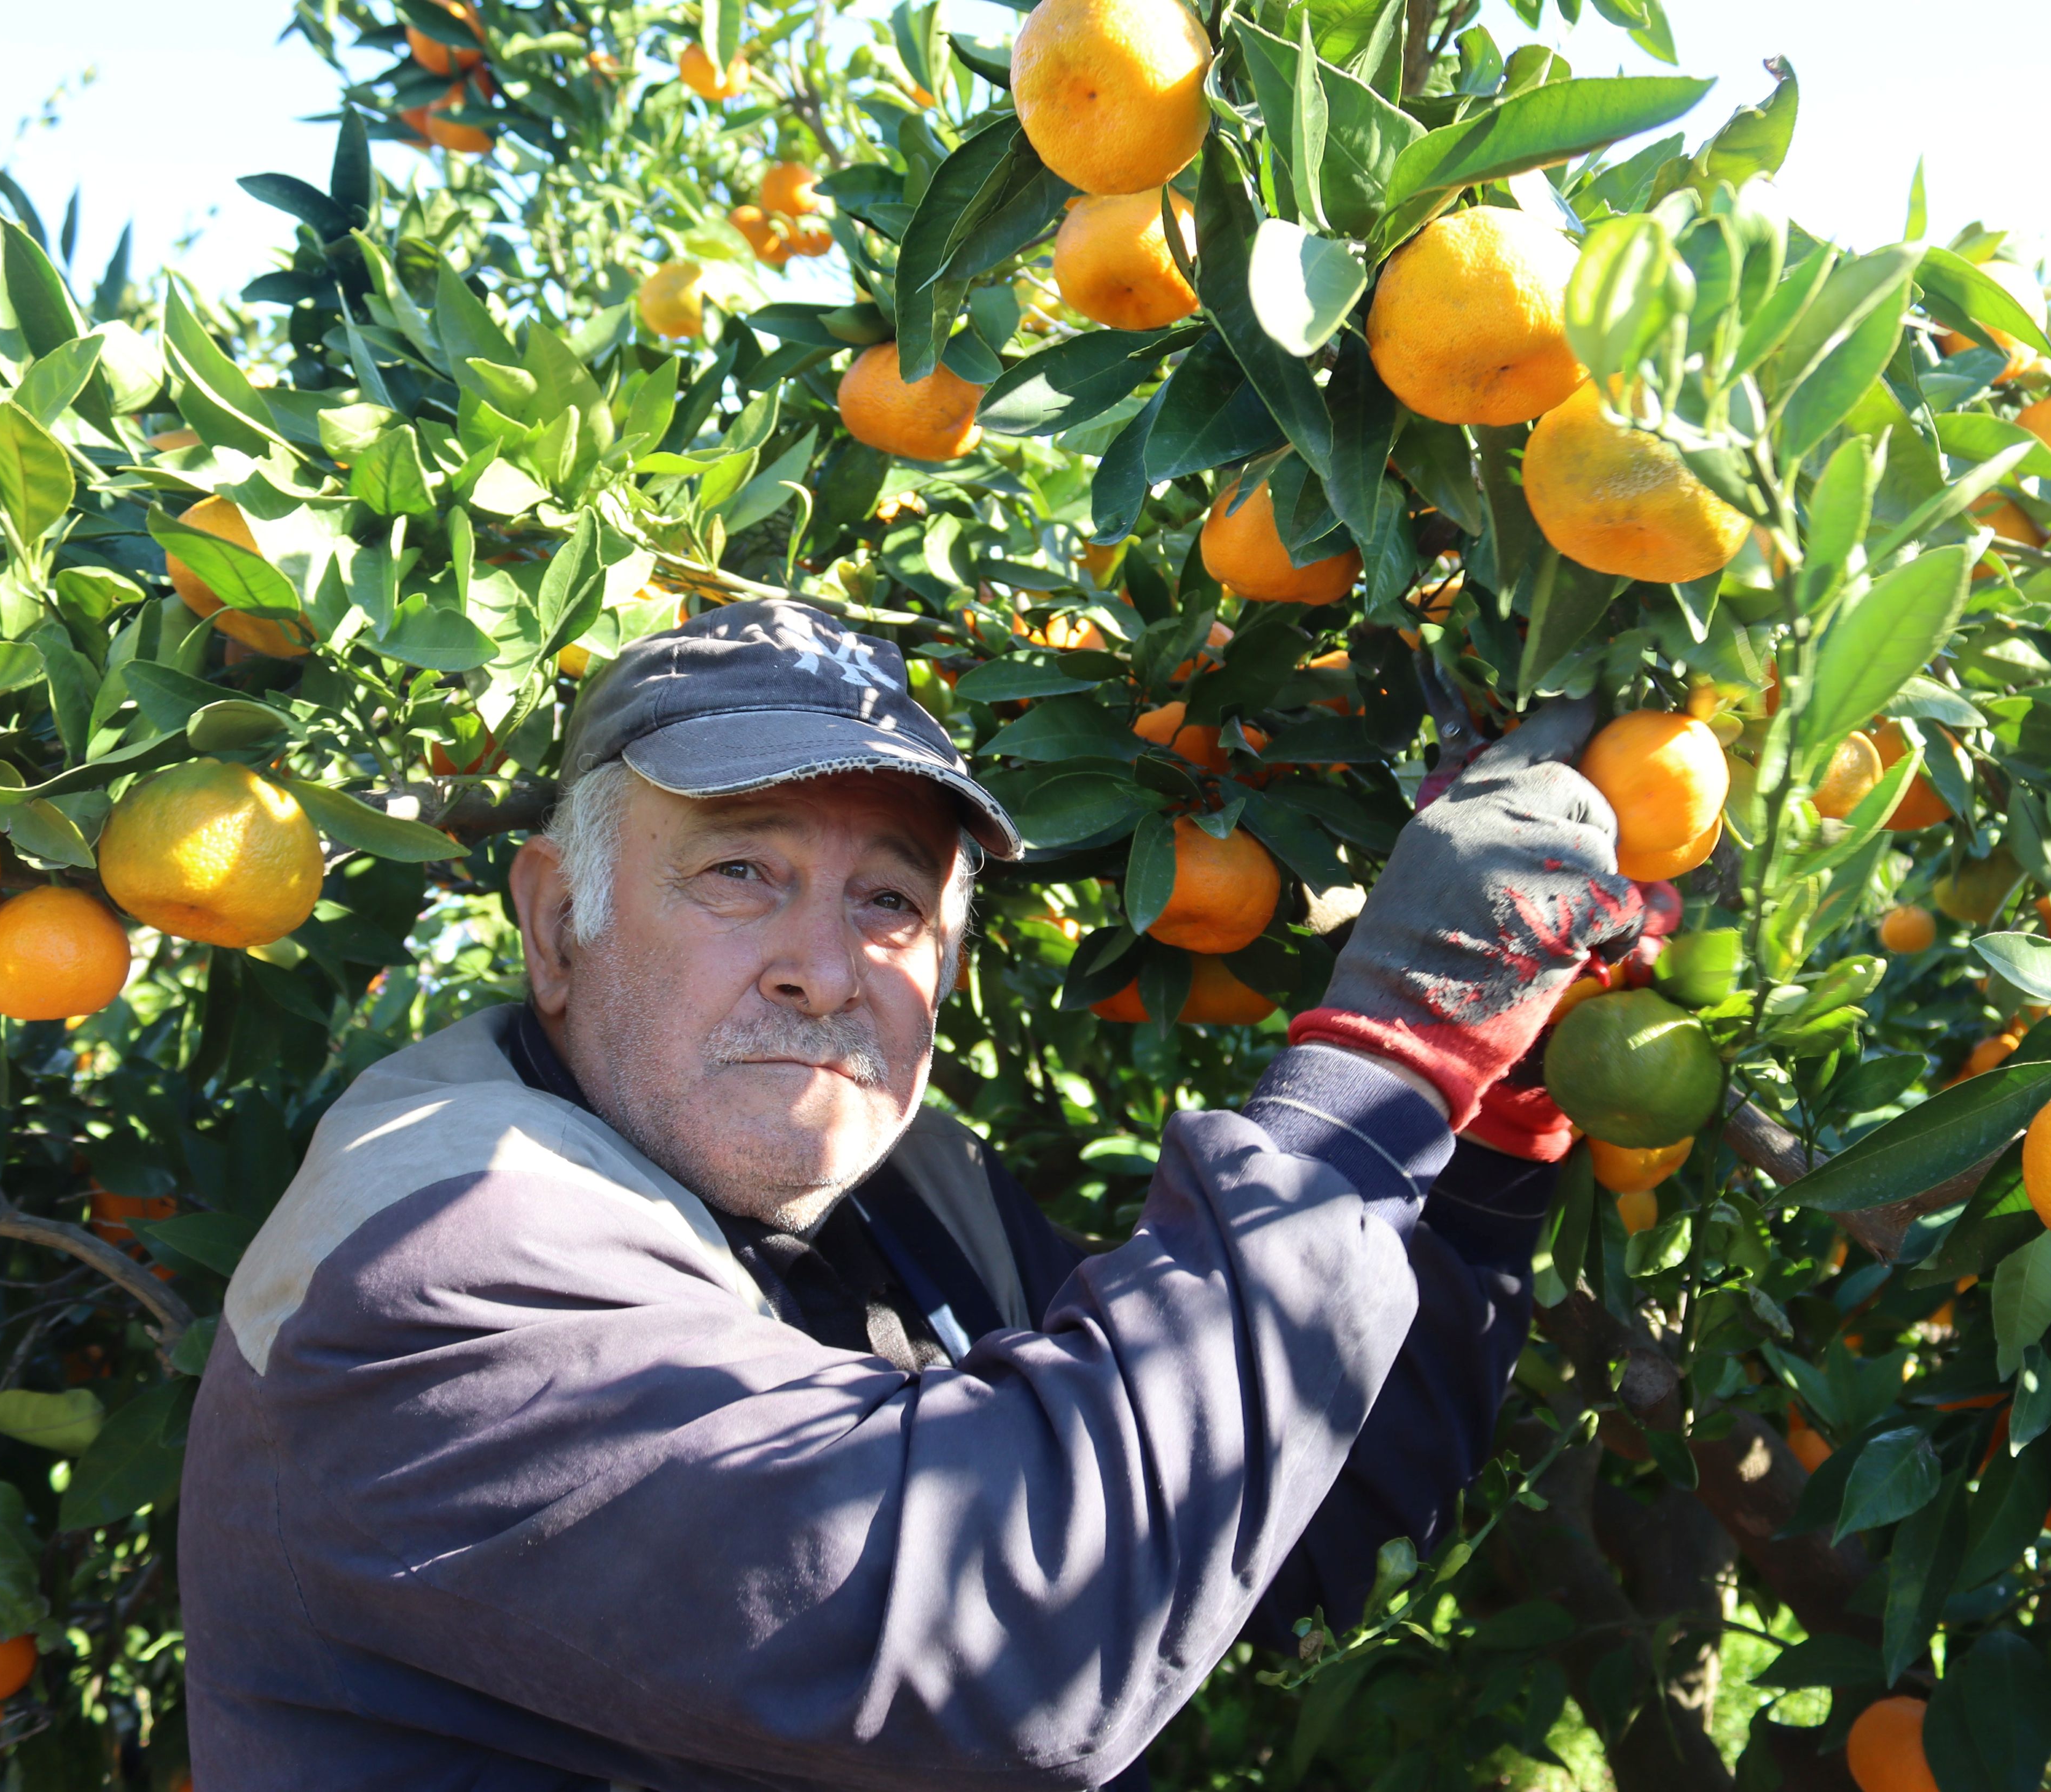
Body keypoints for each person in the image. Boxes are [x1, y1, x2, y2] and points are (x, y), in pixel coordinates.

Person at [180, 597, 1645, 1790]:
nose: (824, 965)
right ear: (558, 922)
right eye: (741, 872)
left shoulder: (908, 1197)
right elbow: (1017, 1645)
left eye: (889, 901)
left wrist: (1487, 1135)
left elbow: (1267, 1521)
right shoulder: (447, 1250)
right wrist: (1388, 1055)